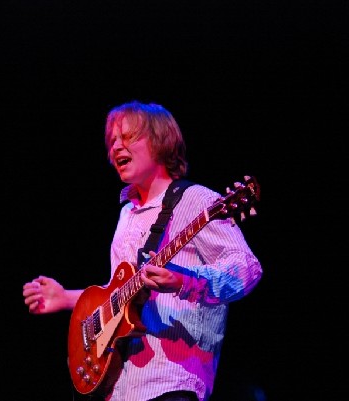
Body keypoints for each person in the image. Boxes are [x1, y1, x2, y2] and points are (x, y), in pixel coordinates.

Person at [22, 100, 262, 401]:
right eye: (112, 141)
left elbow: (246, 268)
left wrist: (184, 281)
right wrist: (66, 297)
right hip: (118, 388)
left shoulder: (198, 200)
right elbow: (120, 295)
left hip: (170, 381)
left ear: (160, 140)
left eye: (128, 137)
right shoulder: (127, 214)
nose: (116, 147)